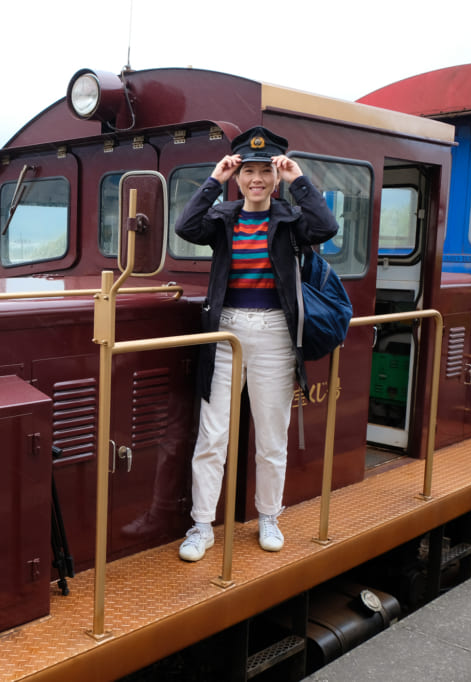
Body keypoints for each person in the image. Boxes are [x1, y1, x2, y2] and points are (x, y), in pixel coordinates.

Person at [173, 126, 339, 562]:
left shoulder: (290, 220)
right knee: (213, 434)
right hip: (226, 333)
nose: (256, 179)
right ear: (238, 175)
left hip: (274, 335)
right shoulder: (223, 218)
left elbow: (326, 225)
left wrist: (297, 178)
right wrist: (214, 178)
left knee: (271, 436)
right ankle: (202, 525)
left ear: (275, 173)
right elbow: (185, 225)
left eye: (266, 170)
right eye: (248, 171)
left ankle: (269, 516)